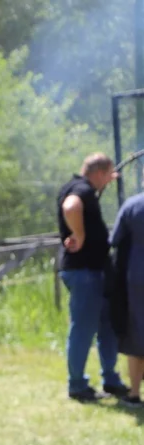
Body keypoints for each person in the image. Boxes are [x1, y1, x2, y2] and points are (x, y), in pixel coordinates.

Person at [57, 153, 130, 402]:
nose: (108, 181)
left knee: (106, 326)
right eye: (107, 176)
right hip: (85, 272)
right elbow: (71, 206)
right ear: (98, 173)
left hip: (94, 272)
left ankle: (110, 378)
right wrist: (79, 235)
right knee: (83, 328)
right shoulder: (82, 189)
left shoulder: (76, 186)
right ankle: (77, 384)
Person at [110, 186, 144, 408]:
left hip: (137, 275)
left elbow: (115, 239)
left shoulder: (132, 205)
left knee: (137, 331)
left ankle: (134, 393)